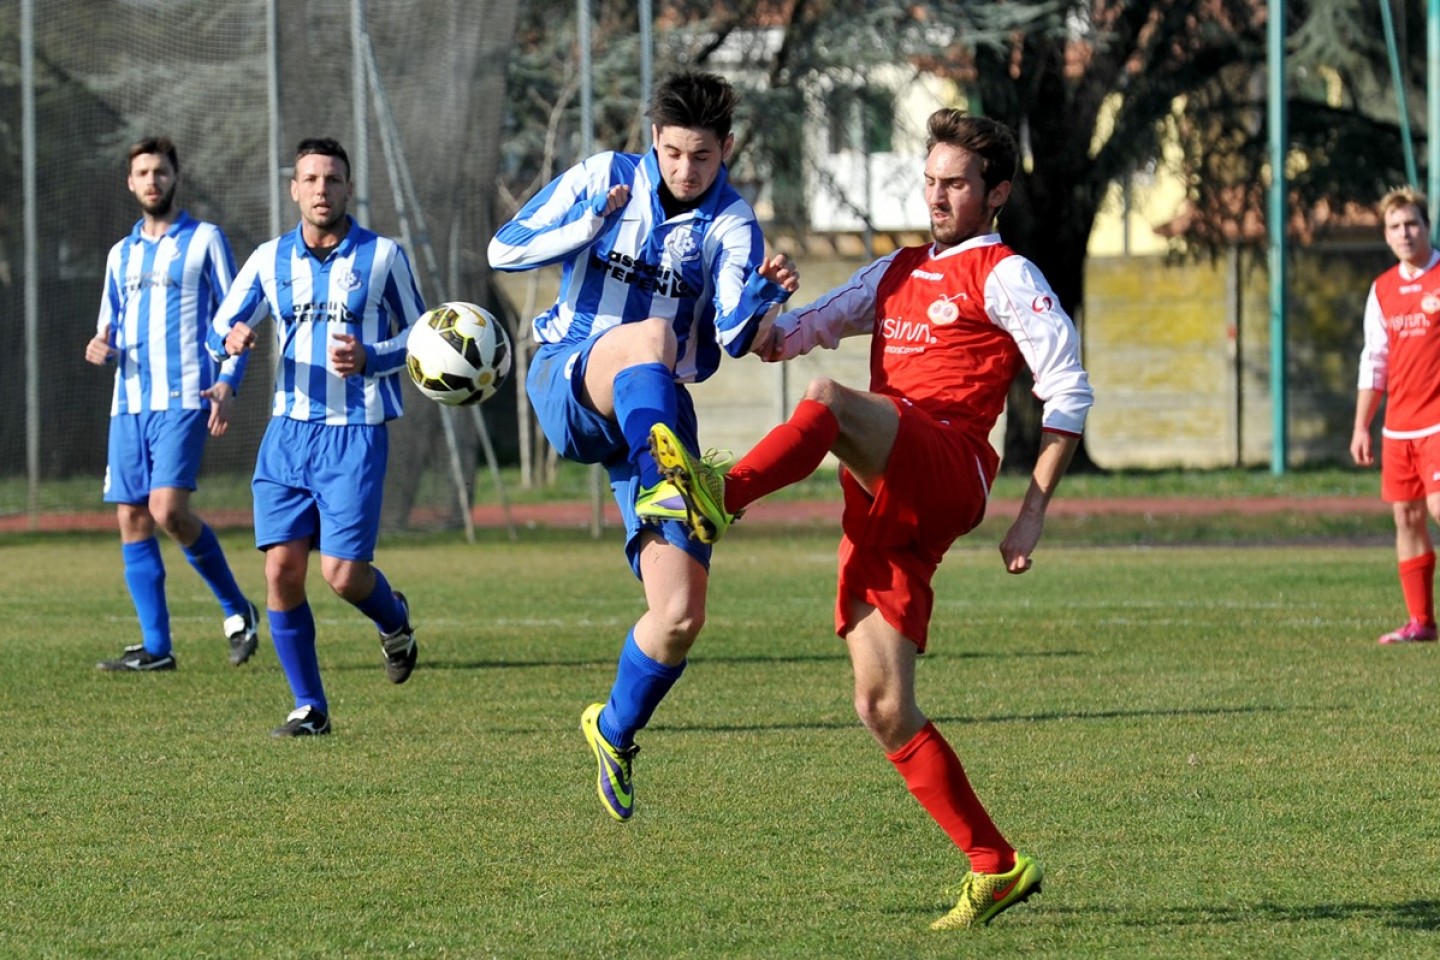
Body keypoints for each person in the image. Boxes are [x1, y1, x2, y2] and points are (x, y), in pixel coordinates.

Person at [641, 109, 1094, 929]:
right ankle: (995, 864)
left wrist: (1031, 516)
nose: (938, 196)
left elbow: (1068, 391)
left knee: (828, 403)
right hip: (887, 502)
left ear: (996, 192)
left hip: (950, 465)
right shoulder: (894, 272)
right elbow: (782, 341)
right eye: (931, 181)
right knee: (881, 704)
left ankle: (722, 495)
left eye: (956, 183)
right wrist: (757, 300)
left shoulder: (1006, 274)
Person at [488, 70, 799, 821]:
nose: (684, 170)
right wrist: (588, 225)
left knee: (680, 614)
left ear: (725, 149)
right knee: (650, 335)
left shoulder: (731, 223)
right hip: (571, 378)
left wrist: (762, 299)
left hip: (654, 415)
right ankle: (668, 475)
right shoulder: (606, 176)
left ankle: (615, 731)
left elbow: (728, 332)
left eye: (700, 156)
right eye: (670, 153)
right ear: (650, 141)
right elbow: (505, 249)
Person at [208, 137, 425, 737]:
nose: (321, 189)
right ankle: (310, 707)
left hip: (355, 434)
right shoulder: (267, 259)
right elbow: (224, 324)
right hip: (287, 435)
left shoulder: (383, 257)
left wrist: (372, 356)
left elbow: (426, 337)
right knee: (280, 571)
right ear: (294, 189)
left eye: (332, 179)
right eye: (310, 179)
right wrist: (228, 347)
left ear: (347, 188)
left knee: (343, 576)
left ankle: (395, 622)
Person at [86, 136, 260, 673]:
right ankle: (157, 649)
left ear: (174, 177)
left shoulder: (205, 240)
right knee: (133, 517)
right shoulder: (121, 254)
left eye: (160, 171)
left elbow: (238, 320)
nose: (152, 180)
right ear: (130, 183)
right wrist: (100, 347)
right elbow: (107, 328)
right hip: (129, 403)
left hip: (186, 395)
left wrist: (228, 382)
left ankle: (237, 610)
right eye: (142, 172)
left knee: (167, 511)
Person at [1351, 186, 1440, 645]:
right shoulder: (1382, 289)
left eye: (1411, 224)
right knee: (1406, 518)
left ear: (1427, 227)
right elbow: (1375, 359)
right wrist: (1361, 425)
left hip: (1439, 423)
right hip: (1399, 425)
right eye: (1395, 227)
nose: (1404, 233)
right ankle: (1421, 622)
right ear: (1386, 236)